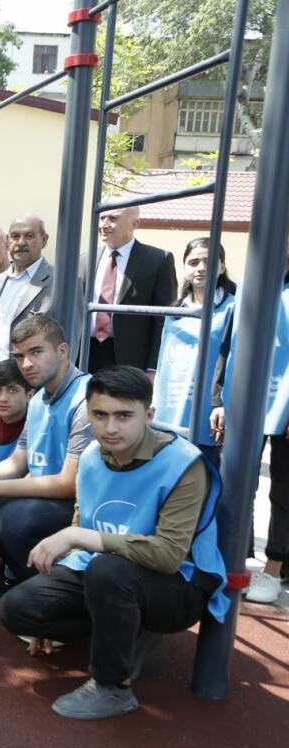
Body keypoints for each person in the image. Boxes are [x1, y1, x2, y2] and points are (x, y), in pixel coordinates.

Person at [0, 366, 228, 720]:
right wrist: (46, 614)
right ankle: (119, 630)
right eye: (100, 415)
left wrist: (78, 536)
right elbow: (83, 525)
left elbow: (168, 556)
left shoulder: (184, 465)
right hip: (107, 571)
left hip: (178, 584)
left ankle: (112, 686)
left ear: (148, 415)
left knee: (109, 571)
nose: (110, 427)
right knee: (16, 609)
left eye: (124, 416)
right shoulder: (92, 455)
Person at [0, 316, 93, 592]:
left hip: (81, 506)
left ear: (62, 351)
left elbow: (69, 484)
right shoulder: (37, 400)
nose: (26, 364)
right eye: (20, 356)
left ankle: (58, 595)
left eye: (36, 352)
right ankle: (29, 580)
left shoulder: (85, 400)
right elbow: (17, 462)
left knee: (14, 519)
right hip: (45, 496)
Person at [210, 240, 289, 605]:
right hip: (245, 400)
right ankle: (236, 558)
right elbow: (228, 346)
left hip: (284, 403)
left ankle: (274, 567)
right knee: (238, 481)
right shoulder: (249, 286)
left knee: (284, 487)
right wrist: (218, 399)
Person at [152, 237, 236, 469]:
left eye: (209, 261)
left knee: (207, 476)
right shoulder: (175, 312)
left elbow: (234, 360)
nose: (201, 268)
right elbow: (164, 364)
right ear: (184, 268)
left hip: (209, 412)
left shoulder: (233, 307)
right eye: (193, 262)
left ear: (221, 267)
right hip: (171, 408)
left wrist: (223, 404)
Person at [0, 215, 54, 421]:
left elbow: (68, 344)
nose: (21, 242)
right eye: (15, 236)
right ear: (8, 242)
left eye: (29, 236)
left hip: (29, 388)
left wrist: (50, 392)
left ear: (44, 240)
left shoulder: (58, 282)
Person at [85, 205, 177, 374]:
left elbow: (163, 319)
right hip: (84, 354)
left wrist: (153, 368)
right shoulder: (84, 260)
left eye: (113, 218)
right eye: (102, 218)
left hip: (131, 360)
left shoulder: (157, 260)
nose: (104, 224)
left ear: (135, 223)